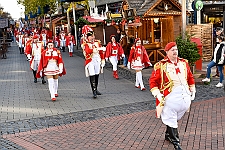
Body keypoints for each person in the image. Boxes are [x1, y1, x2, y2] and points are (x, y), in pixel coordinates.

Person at [149, 42, 196, 150]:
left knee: (174, 118)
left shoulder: (184, 63)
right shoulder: (160, 65)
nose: (175, 52)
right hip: (169, 97)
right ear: (167, 52)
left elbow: (189, 76)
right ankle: (176, 142)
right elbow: (153, 82)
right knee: (170, 117)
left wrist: (192, 89)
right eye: (172, 50)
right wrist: (158, 95)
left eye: (176, 49)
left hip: (184, 95)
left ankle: (168, 135)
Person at [81, 25, 105, 98]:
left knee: (97, 74)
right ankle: (94, 90)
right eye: (91, 36)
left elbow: (101, 52)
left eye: (93, 36)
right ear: (88, 37)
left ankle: (96, 89)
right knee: (92, 74)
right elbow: (87, 52)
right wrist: (93, 50)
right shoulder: (85, 44)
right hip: (90, 61)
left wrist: (103, 59)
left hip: (97, 60)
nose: (92, 37)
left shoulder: (97, 42)